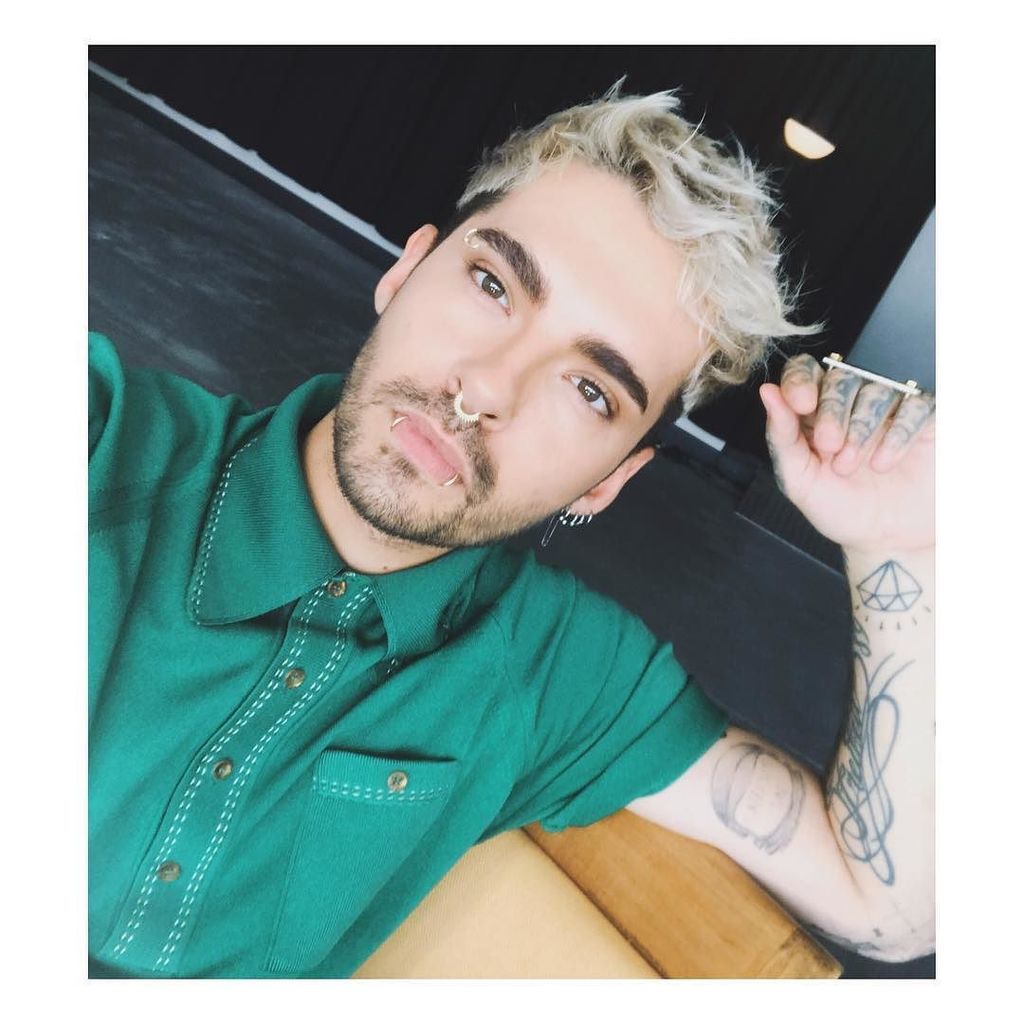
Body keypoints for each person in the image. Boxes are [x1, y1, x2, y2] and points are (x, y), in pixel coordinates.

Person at [88, 78, 935, 978]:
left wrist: (902, 546)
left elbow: (890, 911)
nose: (487, 389)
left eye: (590, 390)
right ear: (405, 271)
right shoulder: (102, 440)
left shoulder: (554, 671)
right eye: (492, 284)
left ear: (610, 480)